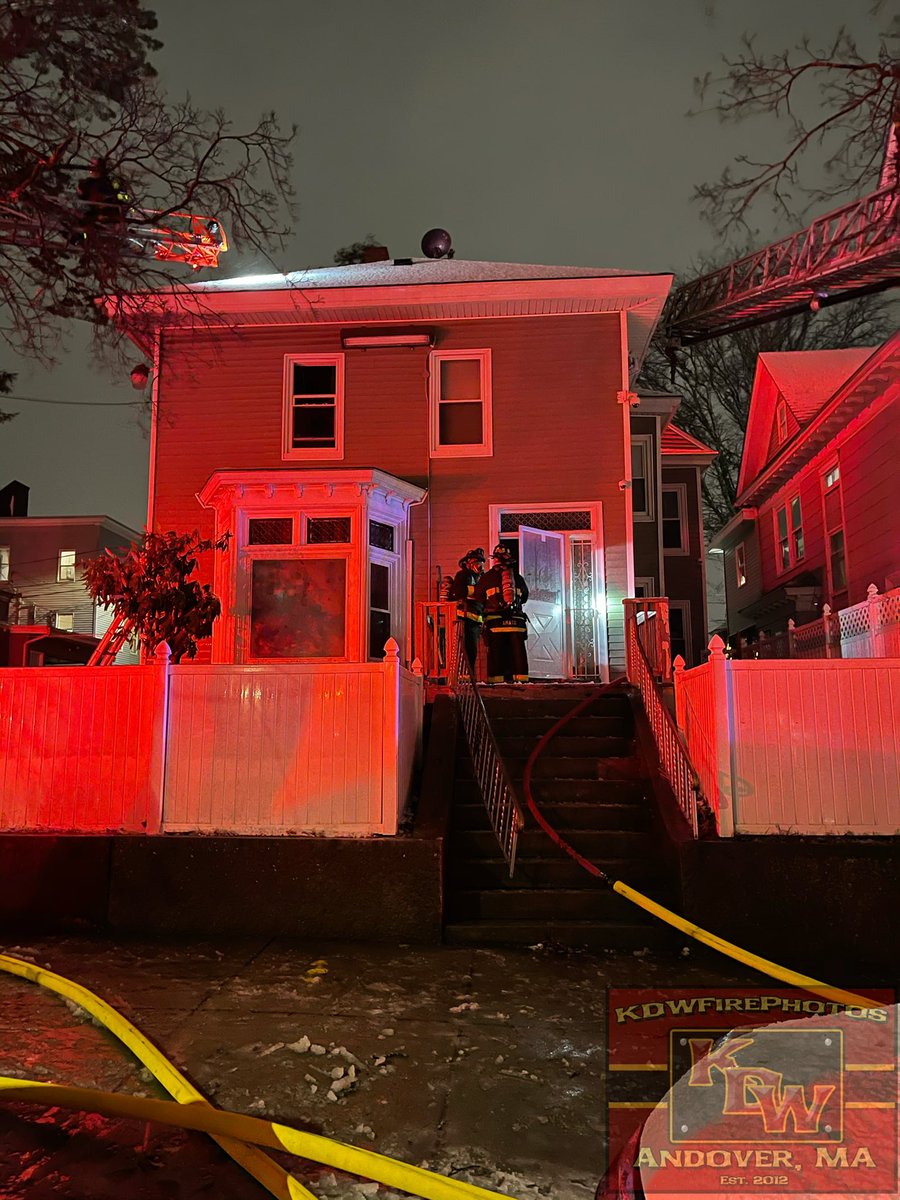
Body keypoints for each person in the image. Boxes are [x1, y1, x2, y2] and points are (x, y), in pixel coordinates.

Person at [475, 544, 529, 683]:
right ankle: (521, 681)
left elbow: (478, 599)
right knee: (518, 654)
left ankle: (496, 682)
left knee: (496, 654)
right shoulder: (517, 577)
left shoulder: (486, 578)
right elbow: (524, 597)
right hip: (516, 622)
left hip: (494, 624)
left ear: (495, 560)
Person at [449, 548, 486, 670]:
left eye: (480, 562)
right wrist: (477, 592)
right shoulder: (463, 575)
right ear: (468, 563)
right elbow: (458, 593)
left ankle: (469, 674)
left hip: (476, 619)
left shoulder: (482, 578)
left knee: (472, 649)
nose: (478, 565)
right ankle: (463, 674)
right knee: (464, 648)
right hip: (463, 617)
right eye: (475, 562)